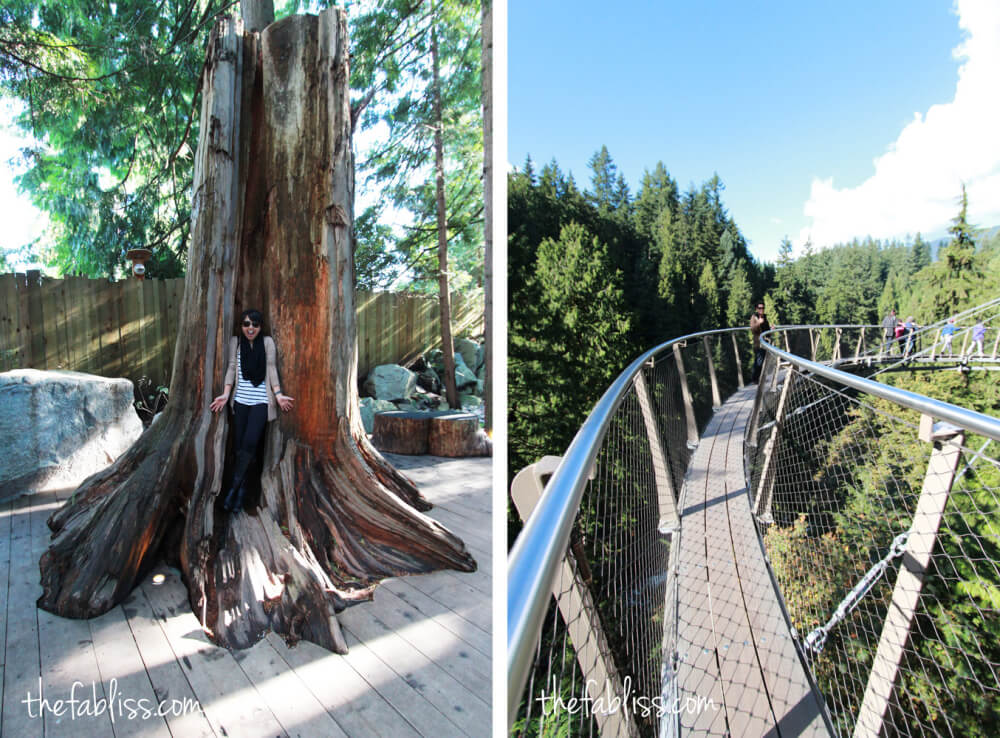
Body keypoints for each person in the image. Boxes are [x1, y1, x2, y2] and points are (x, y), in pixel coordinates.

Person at [209, 309, 295, 512]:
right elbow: (231, 367)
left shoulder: (267, 343)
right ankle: (241, 492)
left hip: (261, 402)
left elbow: (272, 368)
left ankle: (233, 491)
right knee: (241, 448)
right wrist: (226, 394)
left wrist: (278, 394)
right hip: (240, 402)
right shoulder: (235, 343)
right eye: (246, 324)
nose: (250, 328)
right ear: (241, 326)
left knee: (249, 444)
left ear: (260, 326)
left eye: (255, 324)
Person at [750, 301, 770, 382]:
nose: (761, 309)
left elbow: (766, 329)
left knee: (762, 361)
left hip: (765, 343)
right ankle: (755, 379)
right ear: (756, 309)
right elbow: (752, 329)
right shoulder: (754, 317)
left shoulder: (764, 317)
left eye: (763, 308)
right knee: (759, 362)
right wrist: (758, 323)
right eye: (760, 308)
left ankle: (760, 378)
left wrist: (771, 329)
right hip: (758, 343)